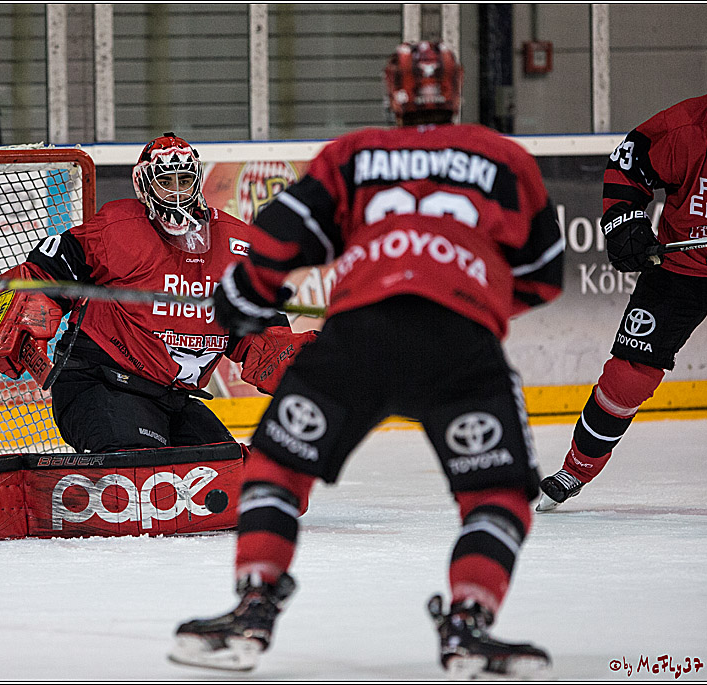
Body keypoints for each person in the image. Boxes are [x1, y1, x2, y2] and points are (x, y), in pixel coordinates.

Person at [168, 42, 564, 678]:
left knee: (275, 467)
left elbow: (279, 237)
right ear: (456, 90)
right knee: (499, 492)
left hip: (358, 337)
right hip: (460, 345)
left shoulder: (353, 154)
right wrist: (473, 301)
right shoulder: (504, 157)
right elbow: (544, 276)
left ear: (392, 93)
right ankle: (468, 625)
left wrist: (244, 297)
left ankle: (252, 611)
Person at [0, 132, 315, 538]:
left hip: (174, 400)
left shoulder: (237, 245)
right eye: (165, 181)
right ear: (144, 184)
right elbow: (42, 272)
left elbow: (260, 334)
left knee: (240, 482)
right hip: (100, 384)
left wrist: (304, 369)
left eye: (184, 180)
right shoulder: (116, 228)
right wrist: (24, 316)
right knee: (136, 476)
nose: (176, 192)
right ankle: (15, 502)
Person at [537, 94, 707, 512]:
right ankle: (576, 469)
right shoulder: (690, 127)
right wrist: (625, 220)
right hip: (683, 267)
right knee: (628, 375)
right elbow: (629, 163)